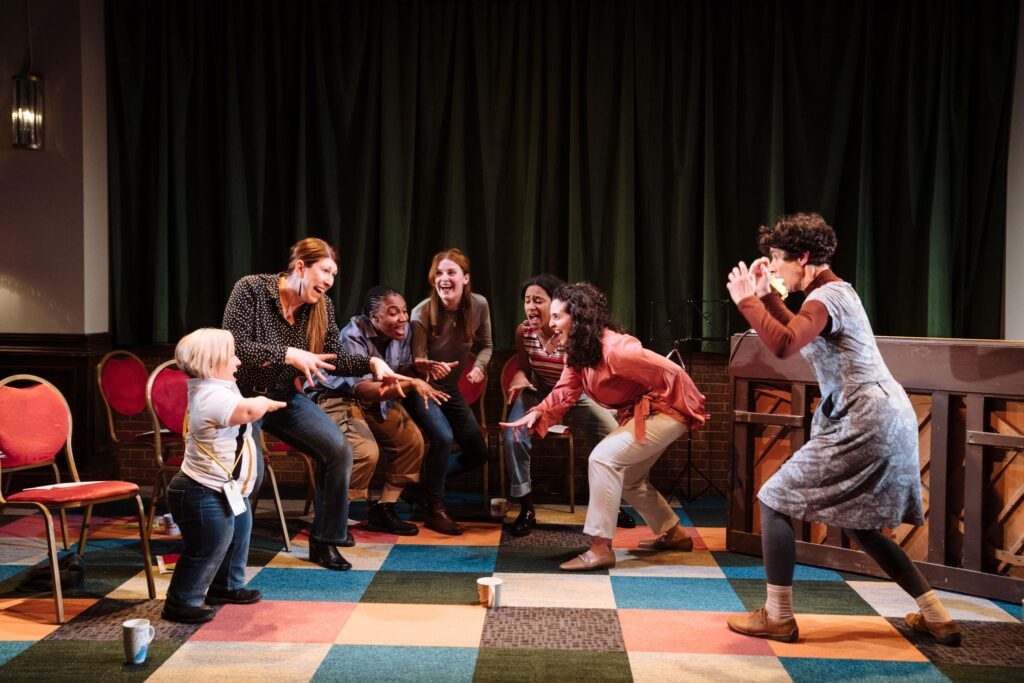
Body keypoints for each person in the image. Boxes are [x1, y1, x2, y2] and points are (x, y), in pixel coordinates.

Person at [724, 212, 960, 645]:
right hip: (885, 414)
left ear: (803, 257)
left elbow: (783, 343)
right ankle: (936, 615)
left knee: (772, 499)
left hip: (864, 417)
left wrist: (747, 301)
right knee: (862, 526)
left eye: (777, 260)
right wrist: (766, 296)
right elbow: (796, 329)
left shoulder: (826, 298)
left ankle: (778, 616)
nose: (773, 268)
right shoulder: (832, 295)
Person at [222, 238, 407, 571]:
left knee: (338, 450)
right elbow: (233, 346)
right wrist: (288, 354)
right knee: (251, 471)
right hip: (241, 395)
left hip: (282, 395)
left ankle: (325, 541)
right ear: (300, 267)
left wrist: (371, 363)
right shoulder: (251, 289)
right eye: (325, 271)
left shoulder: (322, 307)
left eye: (334, 274)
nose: (330, 281)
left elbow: (335, 358)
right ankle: (228, 558)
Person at [501, 283, 706, 571]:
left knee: (602, 458)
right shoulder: (578, 351)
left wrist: (694, 407)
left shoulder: (616, 349)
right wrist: (538, 412)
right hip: (644, 414)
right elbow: (565, 390)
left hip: (668, 411)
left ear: (578, 317)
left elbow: (670, 370)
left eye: (558, 316)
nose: (551, 323)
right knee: (630, 479)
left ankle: (600, 548)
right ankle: (675, 534)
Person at [162, 328, 287, 624]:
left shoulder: (221, 386)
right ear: (211, 362)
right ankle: (180, 602)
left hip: (225, 488)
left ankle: (226, 586)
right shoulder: (209, 396)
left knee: (238, 534)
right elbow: (247, 412)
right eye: (231, 355)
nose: (238, 361)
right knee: (208, 546)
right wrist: (267, 403)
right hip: (200, 490)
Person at [307, 285, 449, 536]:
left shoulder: (402, 332)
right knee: (364, 452)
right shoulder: (352, 335)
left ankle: (384, 509)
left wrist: (415, 369)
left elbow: (393, 371)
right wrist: (411, 384)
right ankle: (331, 514)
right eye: (394, 312)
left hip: (376, 397)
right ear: (374, 316)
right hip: (338, 397)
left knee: (411, 442)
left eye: (404, 310)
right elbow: (362, 389)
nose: (403, 318)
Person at [504, 274, 638, 536]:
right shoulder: (524, 331)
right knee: (514, 436)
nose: (531, 306)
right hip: (539, 392)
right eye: (527, 300)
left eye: (538, 300)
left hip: (577, 392)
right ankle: (526, 508)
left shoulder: (572, 331)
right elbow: (523, 367)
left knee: (614, 436)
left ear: (556, 304)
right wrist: (519, 376)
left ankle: (613, 504)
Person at [404, 248, 492, 535]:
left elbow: (486, 346)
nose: (444, 278)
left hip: (450, 390)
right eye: (439, 273)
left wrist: (479, 367)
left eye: (451, 272)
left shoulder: (479, 305)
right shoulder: (420, 313)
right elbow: (416, 362)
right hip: (423, 389)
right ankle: (436, 508)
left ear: (465, 278)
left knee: (478, 451)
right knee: (443, 438)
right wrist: (428, 366)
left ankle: (422, 487)